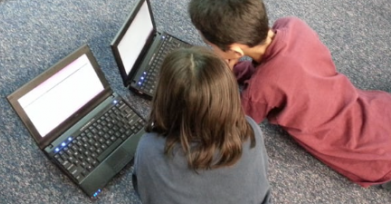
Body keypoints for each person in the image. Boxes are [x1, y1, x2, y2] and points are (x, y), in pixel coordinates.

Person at [188, 0, 391, 189]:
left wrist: (223, 73)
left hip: (372, 156)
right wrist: (236, 68)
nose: (211, 50)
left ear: (235, 50)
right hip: (379, 111)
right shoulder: (293, 26)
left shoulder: (259, 92)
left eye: (211, 47)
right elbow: (271, 69)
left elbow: (233, 123)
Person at [132, 46, 271, 204]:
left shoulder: (149, 149)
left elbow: (142, 190)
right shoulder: (250, 130)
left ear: (164, 99)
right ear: (229, 94)